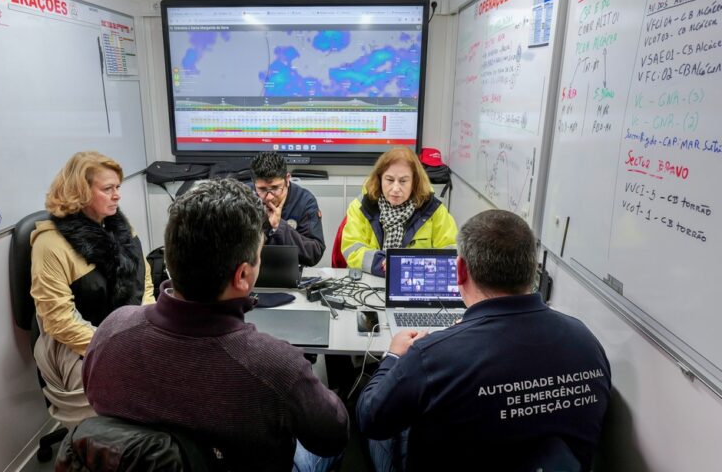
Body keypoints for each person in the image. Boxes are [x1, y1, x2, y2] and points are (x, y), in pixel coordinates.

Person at [82, 178, 349, 472]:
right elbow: (333, 436)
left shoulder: (111, 331)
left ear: (170, 259)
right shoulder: (280, 367)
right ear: (243, 275)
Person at [356, 210, 612, 471]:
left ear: (460, 270)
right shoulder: (586, 341)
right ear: (532, 270)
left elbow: (370, 419)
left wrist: (395, 357)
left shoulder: (431, 355)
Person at [30, 151, 155, 427]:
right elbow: (59, 321)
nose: (117, 196)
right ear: (80, 192)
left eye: (117, 188)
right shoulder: (49, 245)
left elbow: (144, 279)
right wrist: (114, 346)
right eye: (108, 189)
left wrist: (147, 323)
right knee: (135, 404)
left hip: (125, 333)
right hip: (77, 346)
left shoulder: (118, 226)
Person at [341, 147, 457, 276]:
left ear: (415, 182)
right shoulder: (360, 206)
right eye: (389, 180)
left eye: (403, 181)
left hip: (416, 280)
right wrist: (381, 263)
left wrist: (410, 265)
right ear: (380, 179)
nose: (395, 188)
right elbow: (351, 248)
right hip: (370, 279)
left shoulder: (434, 209)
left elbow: (452, 252)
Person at [251, 151, 325, 266]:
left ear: (287, 179)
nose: (269, 197)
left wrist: (279, 226)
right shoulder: (245, 197)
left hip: (290, 273)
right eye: (262, 189)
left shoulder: (305, 201)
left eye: (275, 188)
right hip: (251, 274)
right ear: (254, 184)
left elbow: (314, 253)